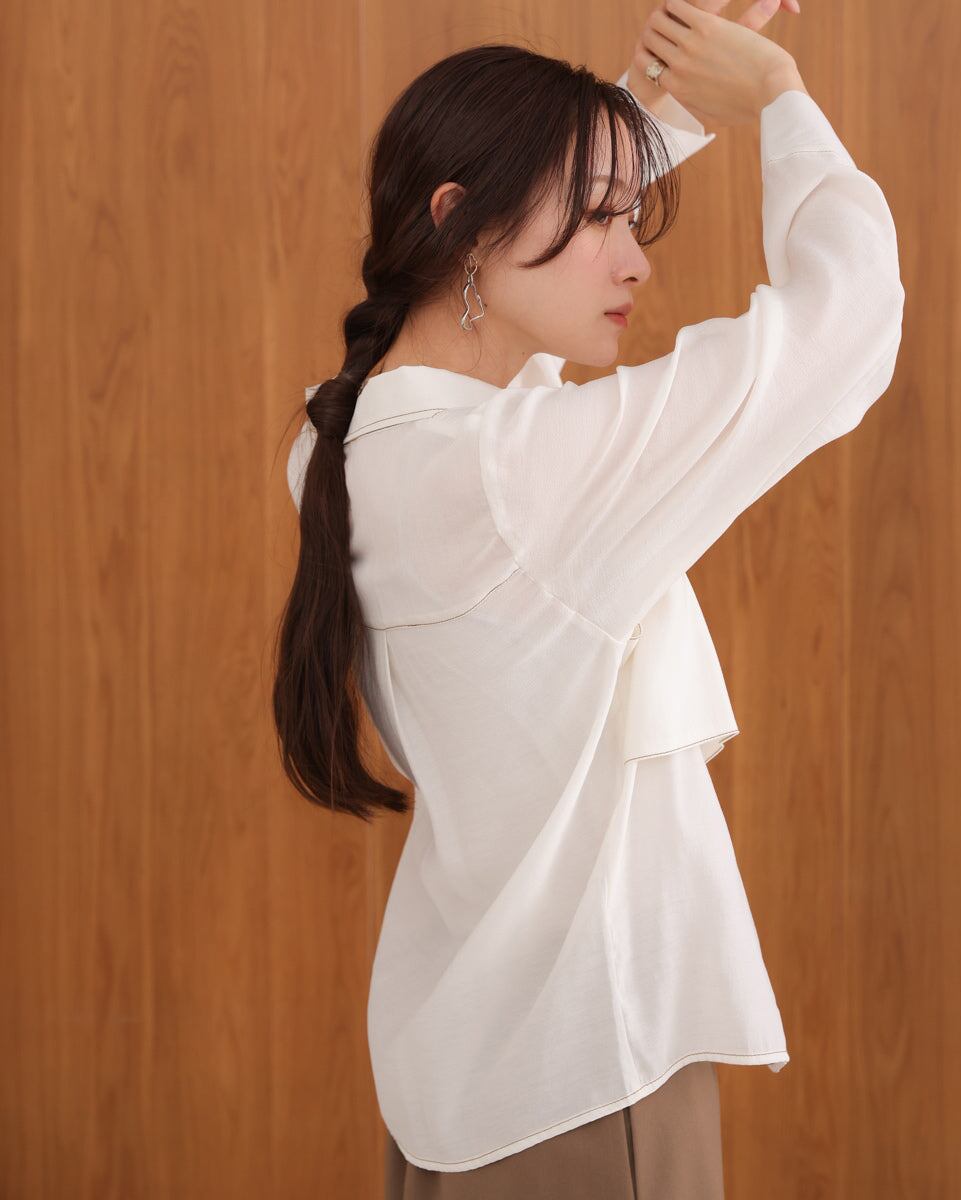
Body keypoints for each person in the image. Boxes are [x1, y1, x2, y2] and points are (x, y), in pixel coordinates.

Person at [274, 0, 905, 1194]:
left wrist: (637, 112)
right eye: (603, 217)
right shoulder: (518, 479)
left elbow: (504, 339)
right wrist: (777, 97)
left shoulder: (338, 445)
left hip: (464, 1092)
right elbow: (848, 330)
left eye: (629, 212)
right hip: (589, 1093)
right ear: (459, 221)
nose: (636, 257)